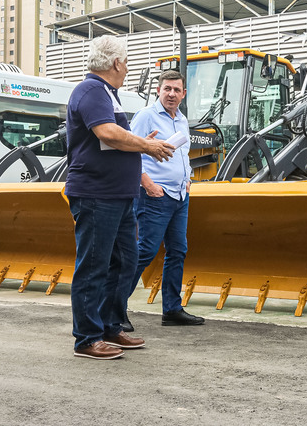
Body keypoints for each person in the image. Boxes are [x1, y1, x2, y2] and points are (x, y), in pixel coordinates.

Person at [65, 35, 175, 360]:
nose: (127, 69)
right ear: (116, 63)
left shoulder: (106, 94)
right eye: (126, 63)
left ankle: (111, 325)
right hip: (97, 195)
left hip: (118, 196)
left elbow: (115, 138)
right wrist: (147, 146)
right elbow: (107, 133)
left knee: (125, 261)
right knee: (94, 265)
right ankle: (86, 338)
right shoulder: (90, 90)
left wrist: (140, 140)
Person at [127, 69, 205, 328]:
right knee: (145, 251)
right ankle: (113, 308)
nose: (171, 94)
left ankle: (172, 310)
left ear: (184, 93)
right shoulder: (146, 117)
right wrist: (147, 184)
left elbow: (183, 153)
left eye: (176, 89)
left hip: (180, 195)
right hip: (155, 195)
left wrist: (189, 178)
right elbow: (130, 152)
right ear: (158, 90)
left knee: (177, 251)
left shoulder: (182, 120)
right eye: (167, 88)